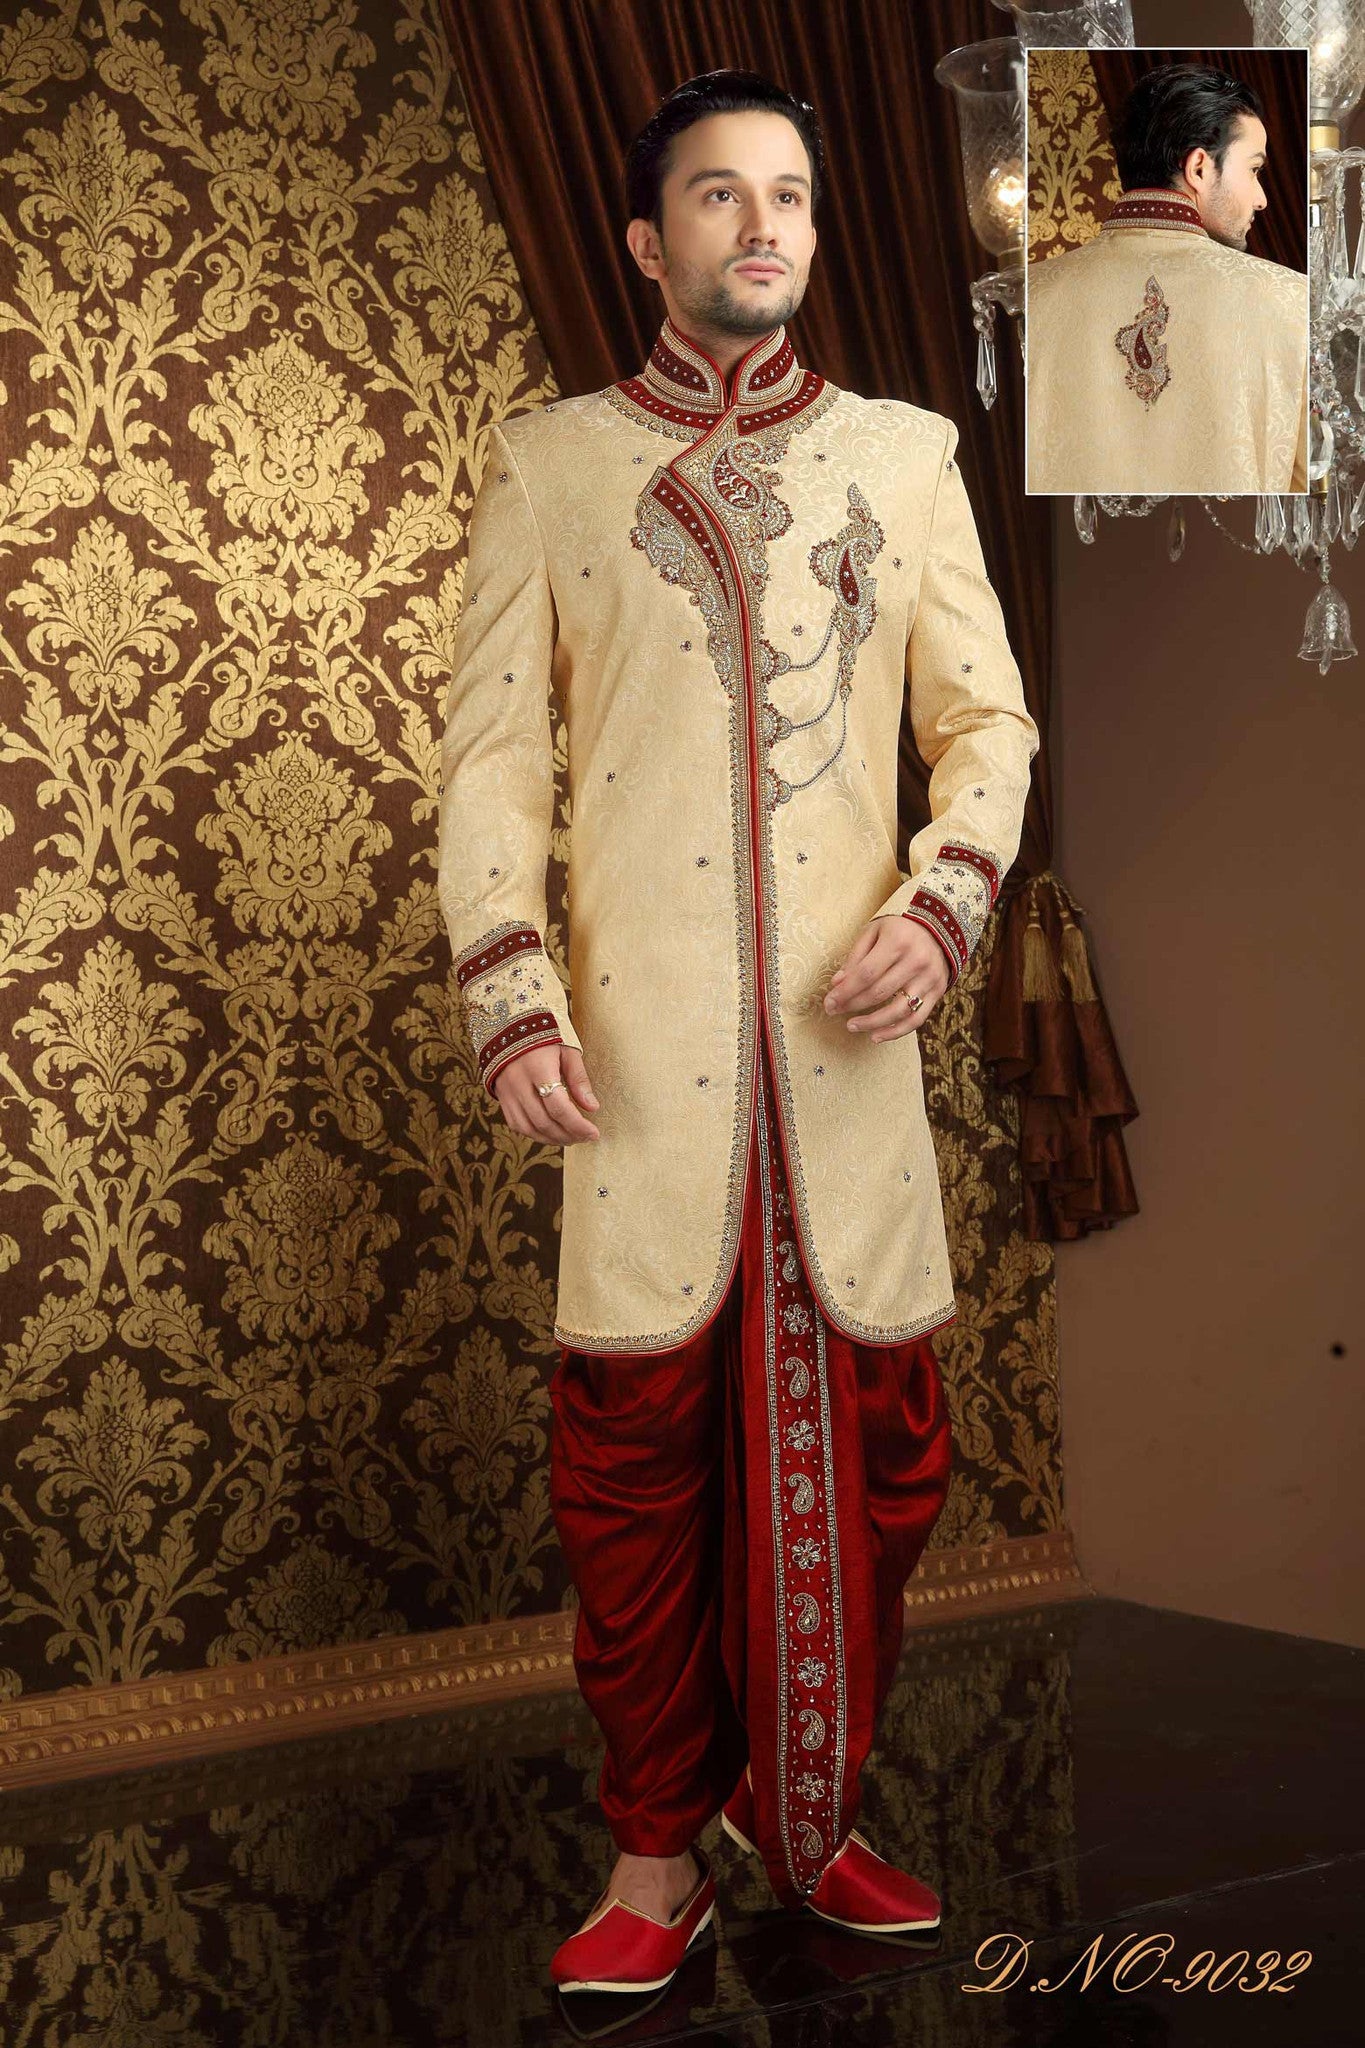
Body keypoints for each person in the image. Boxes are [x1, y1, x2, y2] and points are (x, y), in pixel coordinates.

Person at [438, 69, 1038, 1997]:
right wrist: (511, 986)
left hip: (846, 1064)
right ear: (646, 238)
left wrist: (942, 904)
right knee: (636, 1477)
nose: (763, 221)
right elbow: (490, 761)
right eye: (718, 194)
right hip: (640, 1064)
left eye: (788, 192)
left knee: (876, 1461)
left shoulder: (906, 457)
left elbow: (987, 725)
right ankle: (654, 1856)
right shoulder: (551, 468)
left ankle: (818, 1821)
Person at [1025, 63, 1309, 495]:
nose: (1262, 199)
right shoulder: (1291, 298)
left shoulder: (1030, 294)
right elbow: (1314, 489)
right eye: (1254, 170)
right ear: (1199, 167)